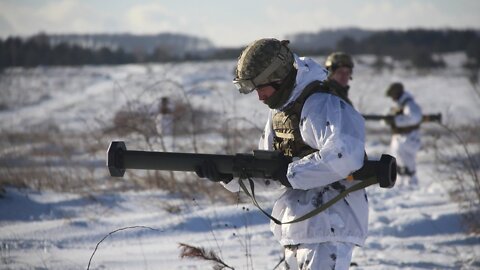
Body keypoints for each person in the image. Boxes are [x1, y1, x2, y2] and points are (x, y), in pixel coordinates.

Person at [195, 38, 368, 269]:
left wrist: (290, 173)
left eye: (261, 88)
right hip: (299, 227)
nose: (259, 96)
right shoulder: (280, 113)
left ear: (278, 77)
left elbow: (344, 155)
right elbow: (270, 173)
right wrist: (230, 177)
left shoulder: (322, 105)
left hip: (329, 227)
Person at [385, 82, 422, 186]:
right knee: (399, 164)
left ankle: (412, 186)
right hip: (400, 139)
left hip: (409, 139)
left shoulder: (410, 104)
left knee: (408, 165)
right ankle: (402, 186)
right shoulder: (399, 105)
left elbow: (414, 118)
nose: (392, 98)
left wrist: (396, 120)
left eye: (393, 95)